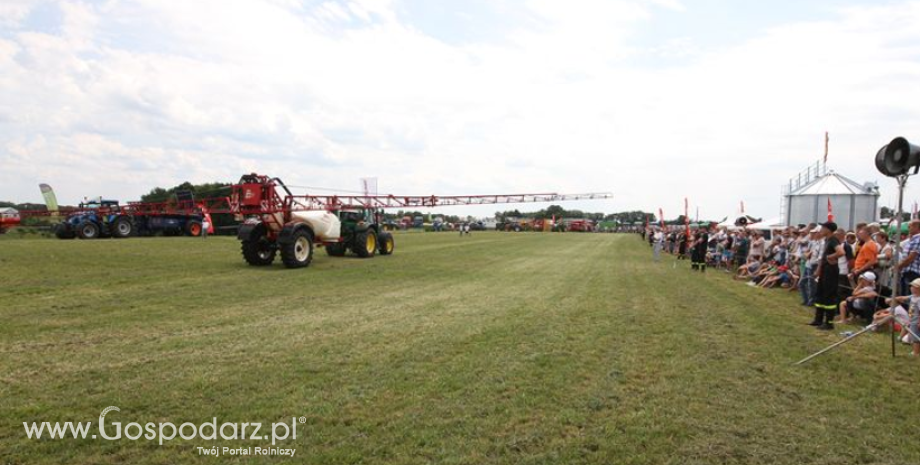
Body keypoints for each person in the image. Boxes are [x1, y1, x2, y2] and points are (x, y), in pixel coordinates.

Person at [810, 222, 844, 330]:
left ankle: (829, 323)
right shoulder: (826, 240)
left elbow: (841, 252)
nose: (821, 230)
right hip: (824, 270)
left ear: (828, 230)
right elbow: (823, 257)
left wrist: (831, 256)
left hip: (831, 272)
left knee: (829, 297)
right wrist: (819, 269)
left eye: (823, 228)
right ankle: (818, 319)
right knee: (820, 294)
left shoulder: (833, 240)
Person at [896, 220, 920, 295]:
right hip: (907, 271)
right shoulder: (912, 240)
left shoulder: (918, 239)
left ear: (917, 227)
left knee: (908, 295)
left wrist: (899, 266)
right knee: (904, 293)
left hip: (912, 272)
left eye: (911, 226)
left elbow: (911, 258)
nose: (909, 228)